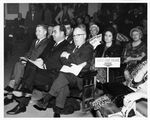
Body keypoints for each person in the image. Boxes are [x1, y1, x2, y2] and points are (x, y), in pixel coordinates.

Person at [6, 24, 69, 115]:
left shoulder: (67, 45)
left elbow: (62, 62)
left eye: (55, 32)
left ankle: (23, 96)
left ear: (62, 33)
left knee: (30, 69)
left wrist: (44, 65)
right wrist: (38, 61)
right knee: (29, 66)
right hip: (44, 71)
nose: (52, 34)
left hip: (54, 74)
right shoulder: (51, 43)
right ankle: (22, 102)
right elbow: (42, 56)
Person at [34, 26, 94, 117]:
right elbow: (62, 59)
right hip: (67, 74)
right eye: (74, 35)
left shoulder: (88, 47)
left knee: (62, 76)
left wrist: (68, 57)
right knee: (63, 82)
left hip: (80, 77)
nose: (75, 37)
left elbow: (77, 60)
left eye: (78, 35)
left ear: (85, 35)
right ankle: (57, 111)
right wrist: (75, 61)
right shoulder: (71, 45)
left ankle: (47, 98)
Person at [4, 24, 49, 105]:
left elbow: (37, 55)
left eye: (39, 31)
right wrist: (24, 58)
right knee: (18, 64)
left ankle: (11, 90)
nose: (36, 33)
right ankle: (12, 88)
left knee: (19, 66)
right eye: (36, 31)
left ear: (45, 32)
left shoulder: (46, 43)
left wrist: (27, 61)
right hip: (30, 63)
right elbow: (29, 52)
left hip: (36, 66)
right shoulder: (35, 41)